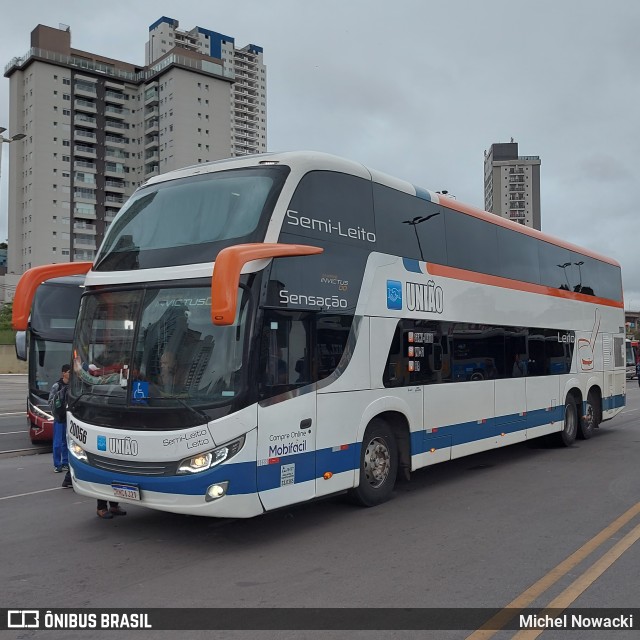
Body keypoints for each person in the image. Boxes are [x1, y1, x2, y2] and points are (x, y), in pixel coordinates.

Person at [48, 364, 70, 473]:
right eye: (69, 372)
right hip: (59, 418)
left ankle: (65, 462)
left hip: (68, 417)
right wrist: (56, 411)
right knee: (57, 442)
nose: (71, 374)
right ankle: (57, 464)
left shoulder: (72, 386)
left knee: (66, 441)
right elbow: (50, 401)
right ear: (63, 373)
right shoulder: (57, 386)